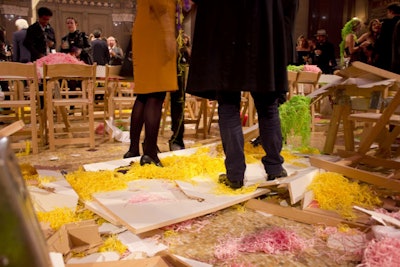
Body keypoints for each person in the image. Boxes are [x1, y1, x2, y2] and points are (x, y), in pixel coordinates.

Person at [187, 0, 299, 189]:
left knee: (228, 104)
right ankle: (275, 167)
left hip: (226, 34)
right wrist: (282, 35)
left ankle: (235, 174)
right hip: (264, 34)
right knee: (268, 105)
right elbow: (289, 6)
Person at [123, 0, 179, 167]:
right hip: (158, 30)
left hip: (146, 28)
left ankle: (133, 149)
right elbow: (161, 5)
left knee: (145, 94)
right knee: (155, 94)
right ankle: (150, 153)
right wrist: (169, 33)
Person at [169, 33, 191, 151]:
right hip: (164, 54)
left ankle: (177, 138)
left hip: (178, 66)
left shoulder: (185, 51)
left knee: (178, 102)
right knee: (153, 101)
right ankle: (149, 143)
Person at [375, 3, 400, 72]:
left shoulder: (387, 23)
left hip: (387, 56)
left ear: (391, 11)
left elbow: (382, 41)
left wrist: (376, 54)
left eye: (387, 12)